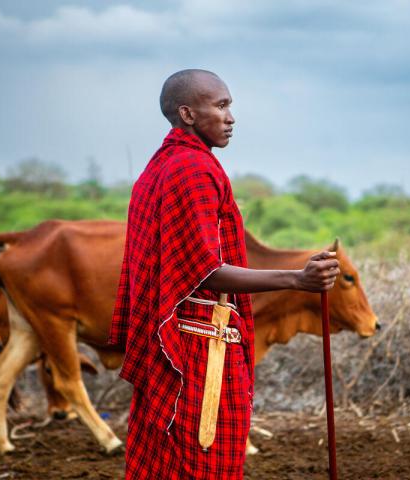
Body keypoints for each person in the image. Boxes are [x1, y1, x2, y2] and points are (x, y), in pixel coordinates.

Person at [108, 69, 339, 479]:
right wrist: (296, 280)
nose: (231, 117)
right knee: (201, 463)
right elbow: (205, 271)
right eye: (220, 105)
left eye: (229, 105)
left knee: (168, 462)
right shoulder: (194, 170)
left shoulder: (161, 165)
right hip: (196, 349)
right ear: (188, 114)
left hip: (176, 340)